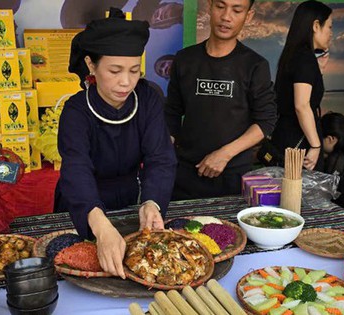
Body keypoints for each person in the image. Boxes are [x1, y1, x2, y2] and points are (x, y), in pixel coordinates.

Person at [54, 8, 177, 278]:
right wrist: (99, 224)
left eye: (134, 71)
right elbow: (76, 170)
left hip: (130, 197)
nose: (126, 82)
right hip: (83, 203)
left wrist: (152, 202)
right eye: (115, 70)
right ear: (91, 65)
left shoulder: (147, 99)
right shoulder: (76, 111)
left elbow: (160, 158)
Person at [165, 0, 277, 200]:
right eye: (220, 6)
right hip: (185, 174)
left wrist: (224, 154)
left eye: (237, 10)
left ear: (248, 15)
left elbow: (265, 121)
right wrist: (165, 153)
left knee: (231, 231)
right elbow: (172, 113)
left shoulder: (255, 65)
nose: (226, 17)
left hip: (232, 177)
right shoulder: (184, 59)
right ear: (210, 6)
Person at [267, 0, 333, 171]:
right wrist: (316, 145)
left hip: (285, 135)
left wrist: (319, 71)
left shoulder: (294, 56)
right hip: (300, 139)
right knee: (299, 195)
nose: (331, 33)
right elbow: (302, 106)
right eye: (330, 27)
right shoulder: (305, 59)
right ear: (316, 26)